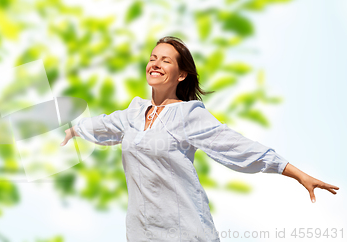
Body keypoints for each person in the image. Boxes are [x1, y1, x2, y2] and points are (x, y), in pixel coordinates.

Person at [60, 36, 339, 242]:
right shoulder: (133, 113)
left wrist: (296, 173)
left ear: (181, 74)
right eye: (152, 58)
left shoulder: (188, 115)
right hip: (141, 233)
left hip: (185, 233)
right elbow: (103, 125)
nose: (155, 64)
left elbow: (237, 147)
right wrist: (73, 129)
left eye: (165, 60)